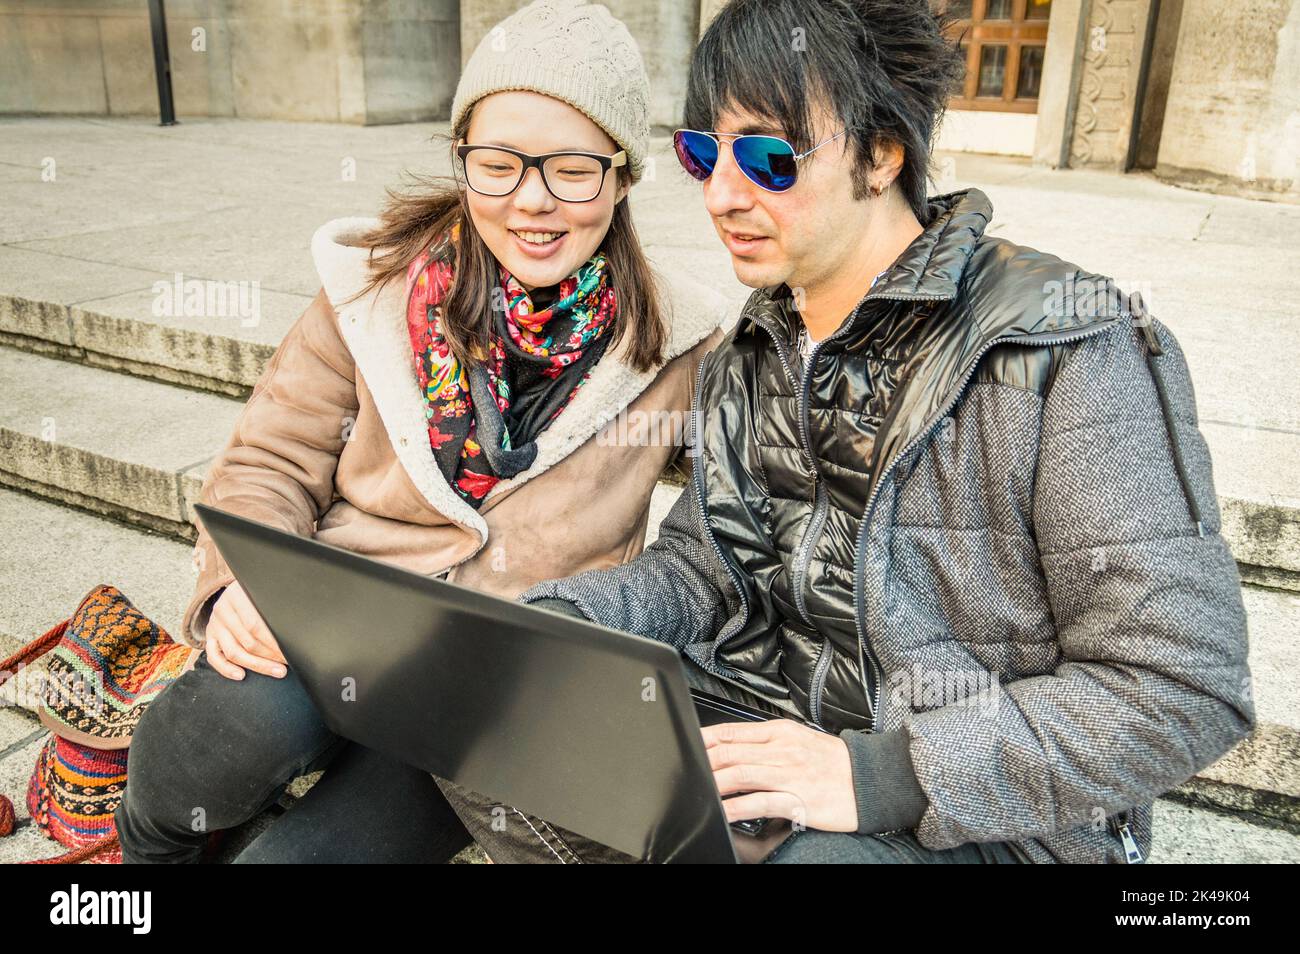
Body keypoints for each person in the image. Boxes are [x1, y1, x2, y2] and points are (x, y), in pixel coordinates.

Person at [458, 0, 1257, 863]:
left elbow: (1182, 686)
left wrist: (883, 775)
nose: (723, 194)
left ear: (882, 155)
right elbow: (703, 569)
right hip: (774, 722)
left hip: (993, 814)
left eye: (768, 156)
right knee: (499, 732)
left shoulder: (1066, 348)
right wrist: (554, 623)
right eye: (703, 154)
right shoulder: (751, 348)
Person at [113, 0, 727, 864]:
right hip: (336, 618)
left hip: (482, 695)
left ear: (624, 175)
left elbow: (742, 526)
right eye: (499, 164)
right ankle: (143, 856)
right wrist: (238, 580)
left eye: (574, 169)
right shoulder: (372, 288)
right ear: (463, 162)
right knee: (210, 749)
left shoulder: (682, 343)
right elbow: (270, 458)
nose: (533, 202)